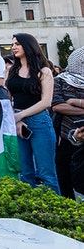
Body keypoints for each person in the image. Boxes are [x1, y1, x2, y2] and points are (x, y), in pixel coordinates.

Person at [7, 33, 60, 193]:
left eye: (17, 44)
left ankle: (55, 213)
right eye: (13, 44)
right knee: (24, 173)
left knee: (46, 174)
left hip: (39, 122)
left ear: (28, 46)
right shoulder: (12, 71)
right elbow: (6, 98)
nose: (13, 47)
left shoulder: (44, 71)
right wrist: (15, 119)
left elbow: (46, 102)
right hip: (17, 122)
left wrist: (20, 116)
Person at [51, 46, 84, 198]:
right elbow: (57, 105)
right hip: (66, 134)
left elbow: (65, 104)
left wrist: (74, 101)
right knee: (63, 172)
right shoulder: (60, 80)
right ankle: (69, 206)